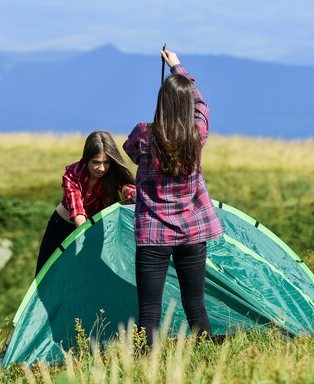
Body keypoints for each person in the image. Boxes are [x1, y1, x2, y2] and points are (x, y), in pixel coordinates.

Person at [123, 50, 223, 347]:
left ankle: (146, 366)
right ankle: (204, 354)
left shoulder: (144, 133)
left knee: (149, 312)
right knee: (195, 304)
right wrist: (177, 67)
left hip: (153, 233)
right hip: (192, 230)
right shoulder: (197, 135)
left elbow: (130, 152)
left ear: (162, 103)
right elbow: (202, 104)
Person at [35, 131, 136, 275]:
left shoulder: (111, 173)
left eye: (106, 162)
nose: (101, 168)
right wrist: (88, 236)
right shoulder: (71, 175)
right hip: (63, 228)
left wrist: (135, 195)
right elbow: (78, 211)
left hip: (93, 228)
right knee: (46, 273)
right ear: (86, 158)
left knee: (86, 275)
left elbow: (127, 188)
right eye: (96, 162)